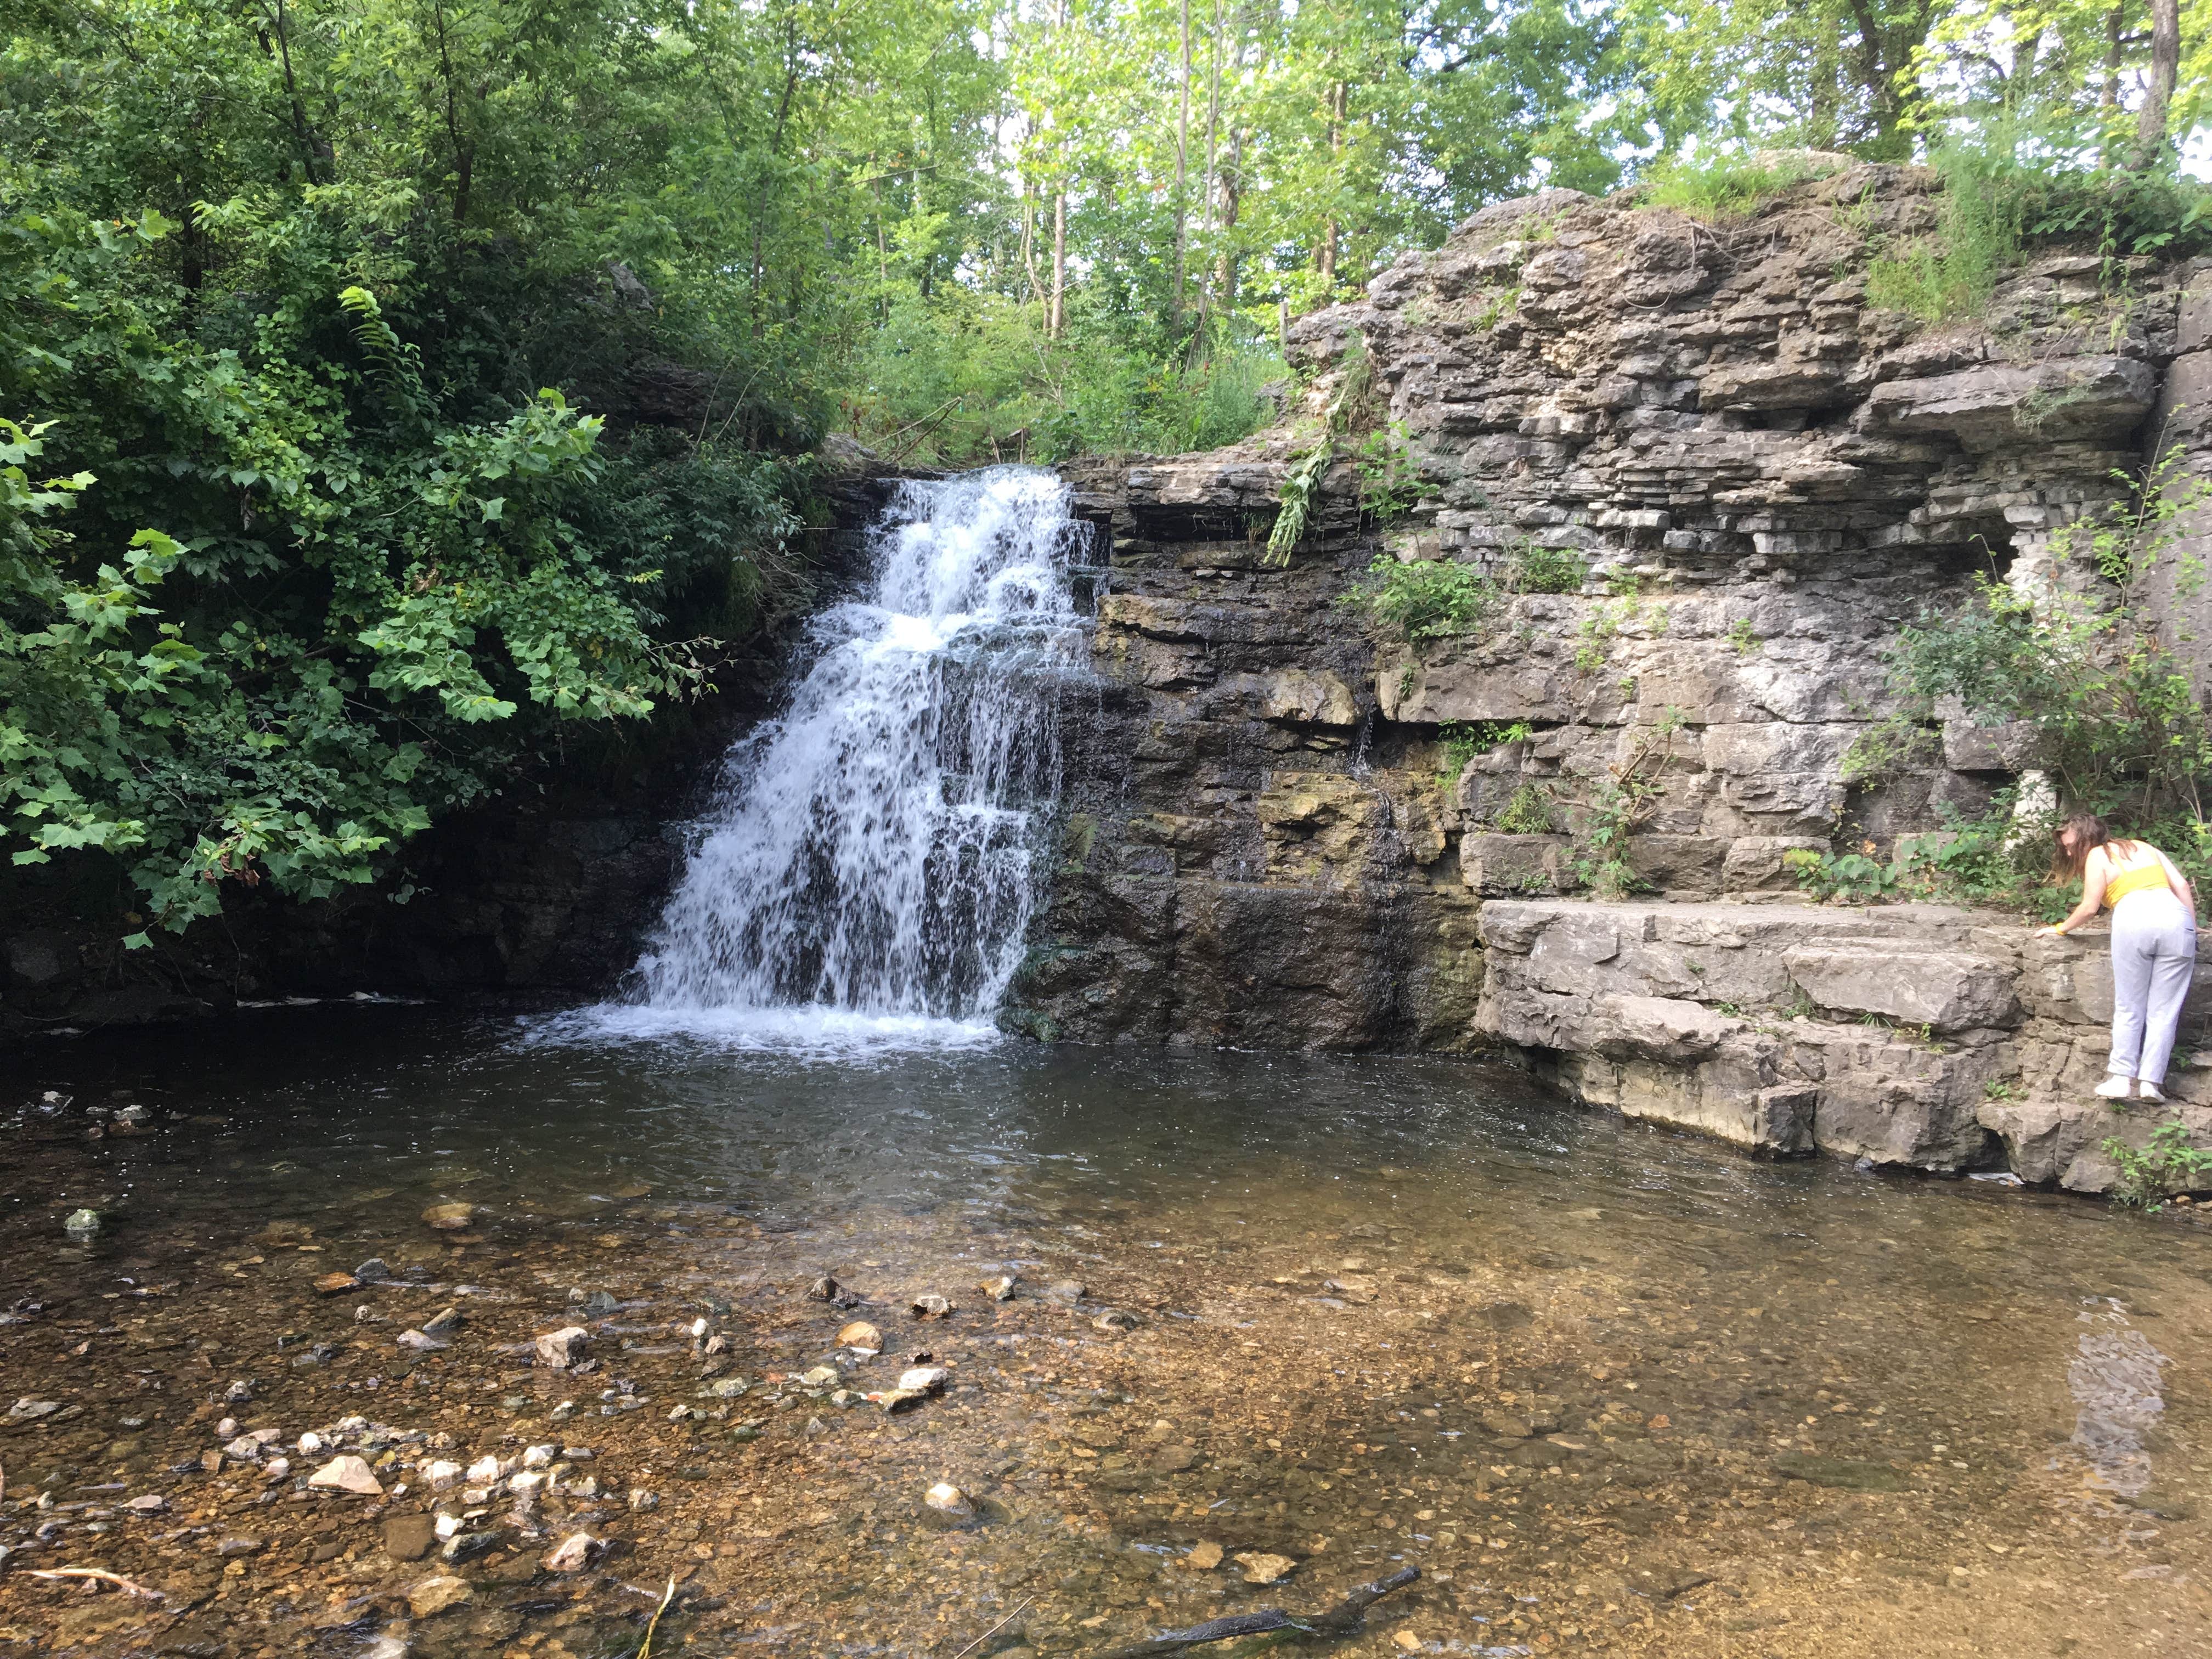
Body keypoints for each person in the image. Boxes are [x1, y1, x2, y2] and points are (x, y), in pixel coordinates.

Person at [2039, 811, 2198, 1102]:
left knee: (2129, 1006)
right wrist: (2192, 925)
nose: (2069, 851)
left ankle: (2122, 1078)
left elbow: (2089, 907)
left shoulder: (2099, 855)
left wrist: (2060, 929)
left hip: (2134, 917)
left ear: (2087, 838)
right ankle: (2151, 1084)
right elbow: (2182, 886)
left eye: (2071, 845)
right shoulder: (2145, 847)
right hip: (2177, 920)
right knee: (2164, 1012)